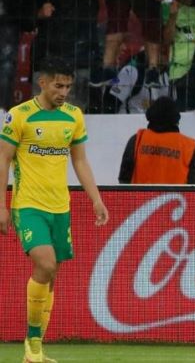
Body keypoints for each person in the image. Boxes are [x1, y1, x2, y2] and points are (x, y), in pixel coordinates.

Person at [0, 59, 109, 363]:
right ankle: (32, 345)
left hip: (60, 207)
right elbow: (3, 160)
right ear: (43, 83)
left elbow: (80, 161)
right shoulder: (18, 116)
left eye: (68, 87)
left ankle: (35, 348)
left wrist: (96, 199)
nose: (64, 92)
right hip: (28, 205)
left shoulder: (73, 116)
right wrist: (2, 206)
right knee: (45, 265)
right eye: (58, 85)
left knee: (51, 276)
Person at [118, 96, 195, 184]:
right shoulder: (188, 146)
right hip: (175, 197)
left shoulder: (137, 140)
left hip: (141, 197)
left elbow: (124, 179)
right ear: (176, 120)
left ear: (150, 117)